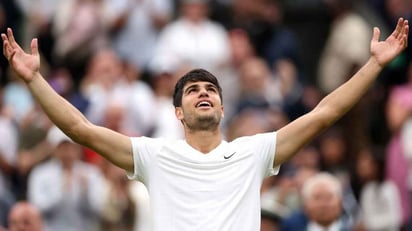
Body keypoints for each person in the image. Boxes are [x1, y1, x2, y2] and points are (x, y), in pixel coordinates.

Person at [1, 17, 409, 230]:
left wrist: (374, 65)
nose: (203, 93)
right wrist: (34, 79)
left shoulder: (254, 152)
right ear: (178, 112)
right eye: (193, 90)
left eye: (210, 89)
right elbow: (82, 130)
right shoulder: (153, 154)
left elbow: (324, 114)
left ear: (222, 107)